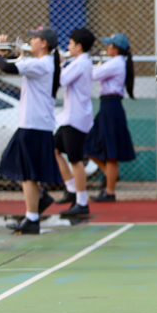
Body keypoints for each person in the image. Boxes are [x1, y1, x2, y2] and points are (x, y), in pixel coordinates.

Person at [0, 27, 64, 235]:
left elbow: (6, 68)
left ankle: (32, 217)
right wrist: (11, 53)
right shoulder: (43, 63)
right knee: (19, 168)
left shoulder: (41, 63)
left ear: (43, 43)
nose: (30, 40)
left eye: (34, 38)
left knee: (28, 174)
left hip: (34, 124)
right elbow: (18, 62)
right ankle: (38, 202)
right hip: (33, 123)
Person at [85, 33, 136, 202]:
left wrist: (81, 63)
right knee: (91, 146)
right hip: (108, 105)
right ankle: (111, 178)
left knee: (111, 152)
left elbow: (93, 75)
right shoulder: (116, 62)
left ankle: (110, 191)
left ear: (115, 48)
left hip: (111, 106)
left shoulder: (116, 63)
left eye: (109, 45)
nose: (107, 48)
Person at [54, 28, 95, 217]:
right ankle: (71, 189)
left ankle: (82, 201)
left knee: (76, 160)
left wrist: (59, 64)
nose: (67, 47)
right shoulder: (79, 62)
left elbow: (61, 80)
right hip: (69, 117)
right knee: (54, 148)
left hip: (76, 119)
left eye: (70, 43)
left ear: (78, 46)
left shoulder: (80, 64)